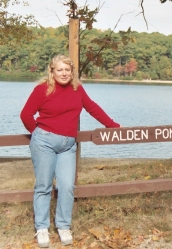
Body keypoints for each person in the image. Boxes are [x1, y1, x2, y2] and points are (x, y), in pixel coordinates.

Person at [20, 55, 120, 247]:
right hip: (44, 142)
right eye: (60, 70)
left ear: (72, 72)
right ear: (52, 71)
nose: (64, 73)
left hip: (68, 146)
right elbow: (26, 115)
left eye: (67, 70)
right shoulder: (42, 90)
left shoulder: (77, 89)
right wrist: (38, 134)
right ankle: (42, 228)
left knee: (67, 186)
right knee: (44, 185)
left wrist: (112, 125)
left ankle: (63, 226)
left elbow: (92, 108)